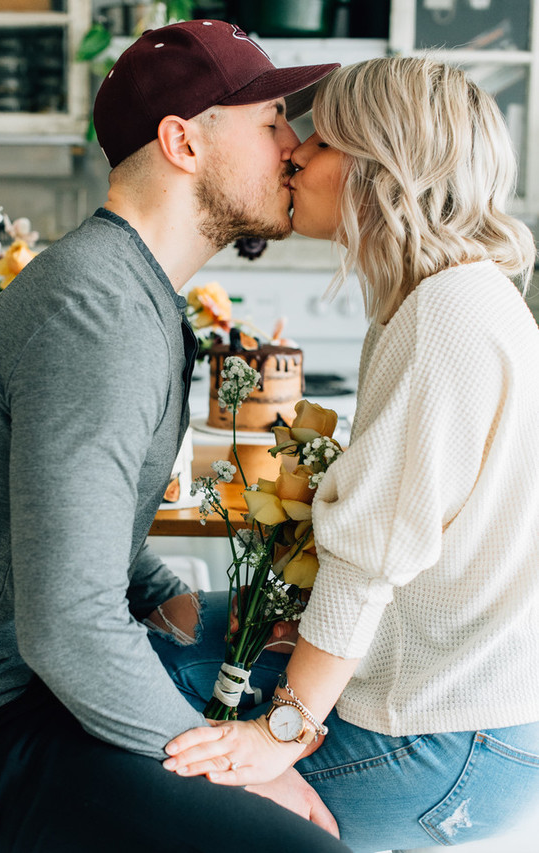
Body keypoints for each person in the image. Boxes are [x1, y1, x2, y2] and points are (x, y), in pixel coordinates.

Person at [0, 20, 347, 853]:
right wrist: (246, 766)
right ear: (183, 142)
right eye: (272, 120)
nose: (293, 147)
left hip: (32, 679)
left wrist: (160, 590)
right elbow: (67, 624)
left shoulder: (132, 296)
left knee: (284, 643)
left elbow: (75, 514)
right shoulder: (97, 315)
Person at [158, 56, 539, 852]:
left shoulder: (447, 317)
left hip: (445, 738)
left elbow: (371, 560)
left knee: (154, 754)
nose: (293, 151)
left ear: (380, 164)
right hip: (454, 700)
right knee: (165, 642)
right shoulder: (436, 299)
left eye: (321, 138)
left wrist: (280, 739)